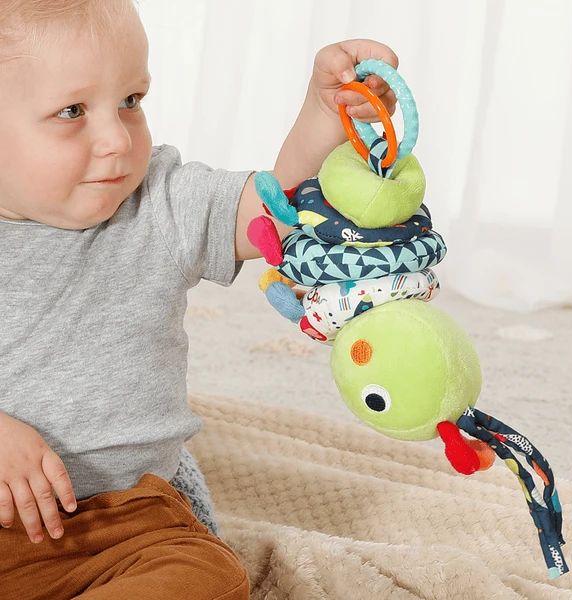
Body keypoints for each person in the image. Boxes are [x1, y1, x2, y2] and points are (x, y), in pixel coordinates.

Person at [0, 0, 398, 598]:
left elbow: (282, 210)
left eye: (130, 101)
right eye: (72, 111)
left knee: (210, 576)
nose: (116, 139)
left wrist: (325, 113)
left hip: (130, 524)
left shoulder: (158, 202)